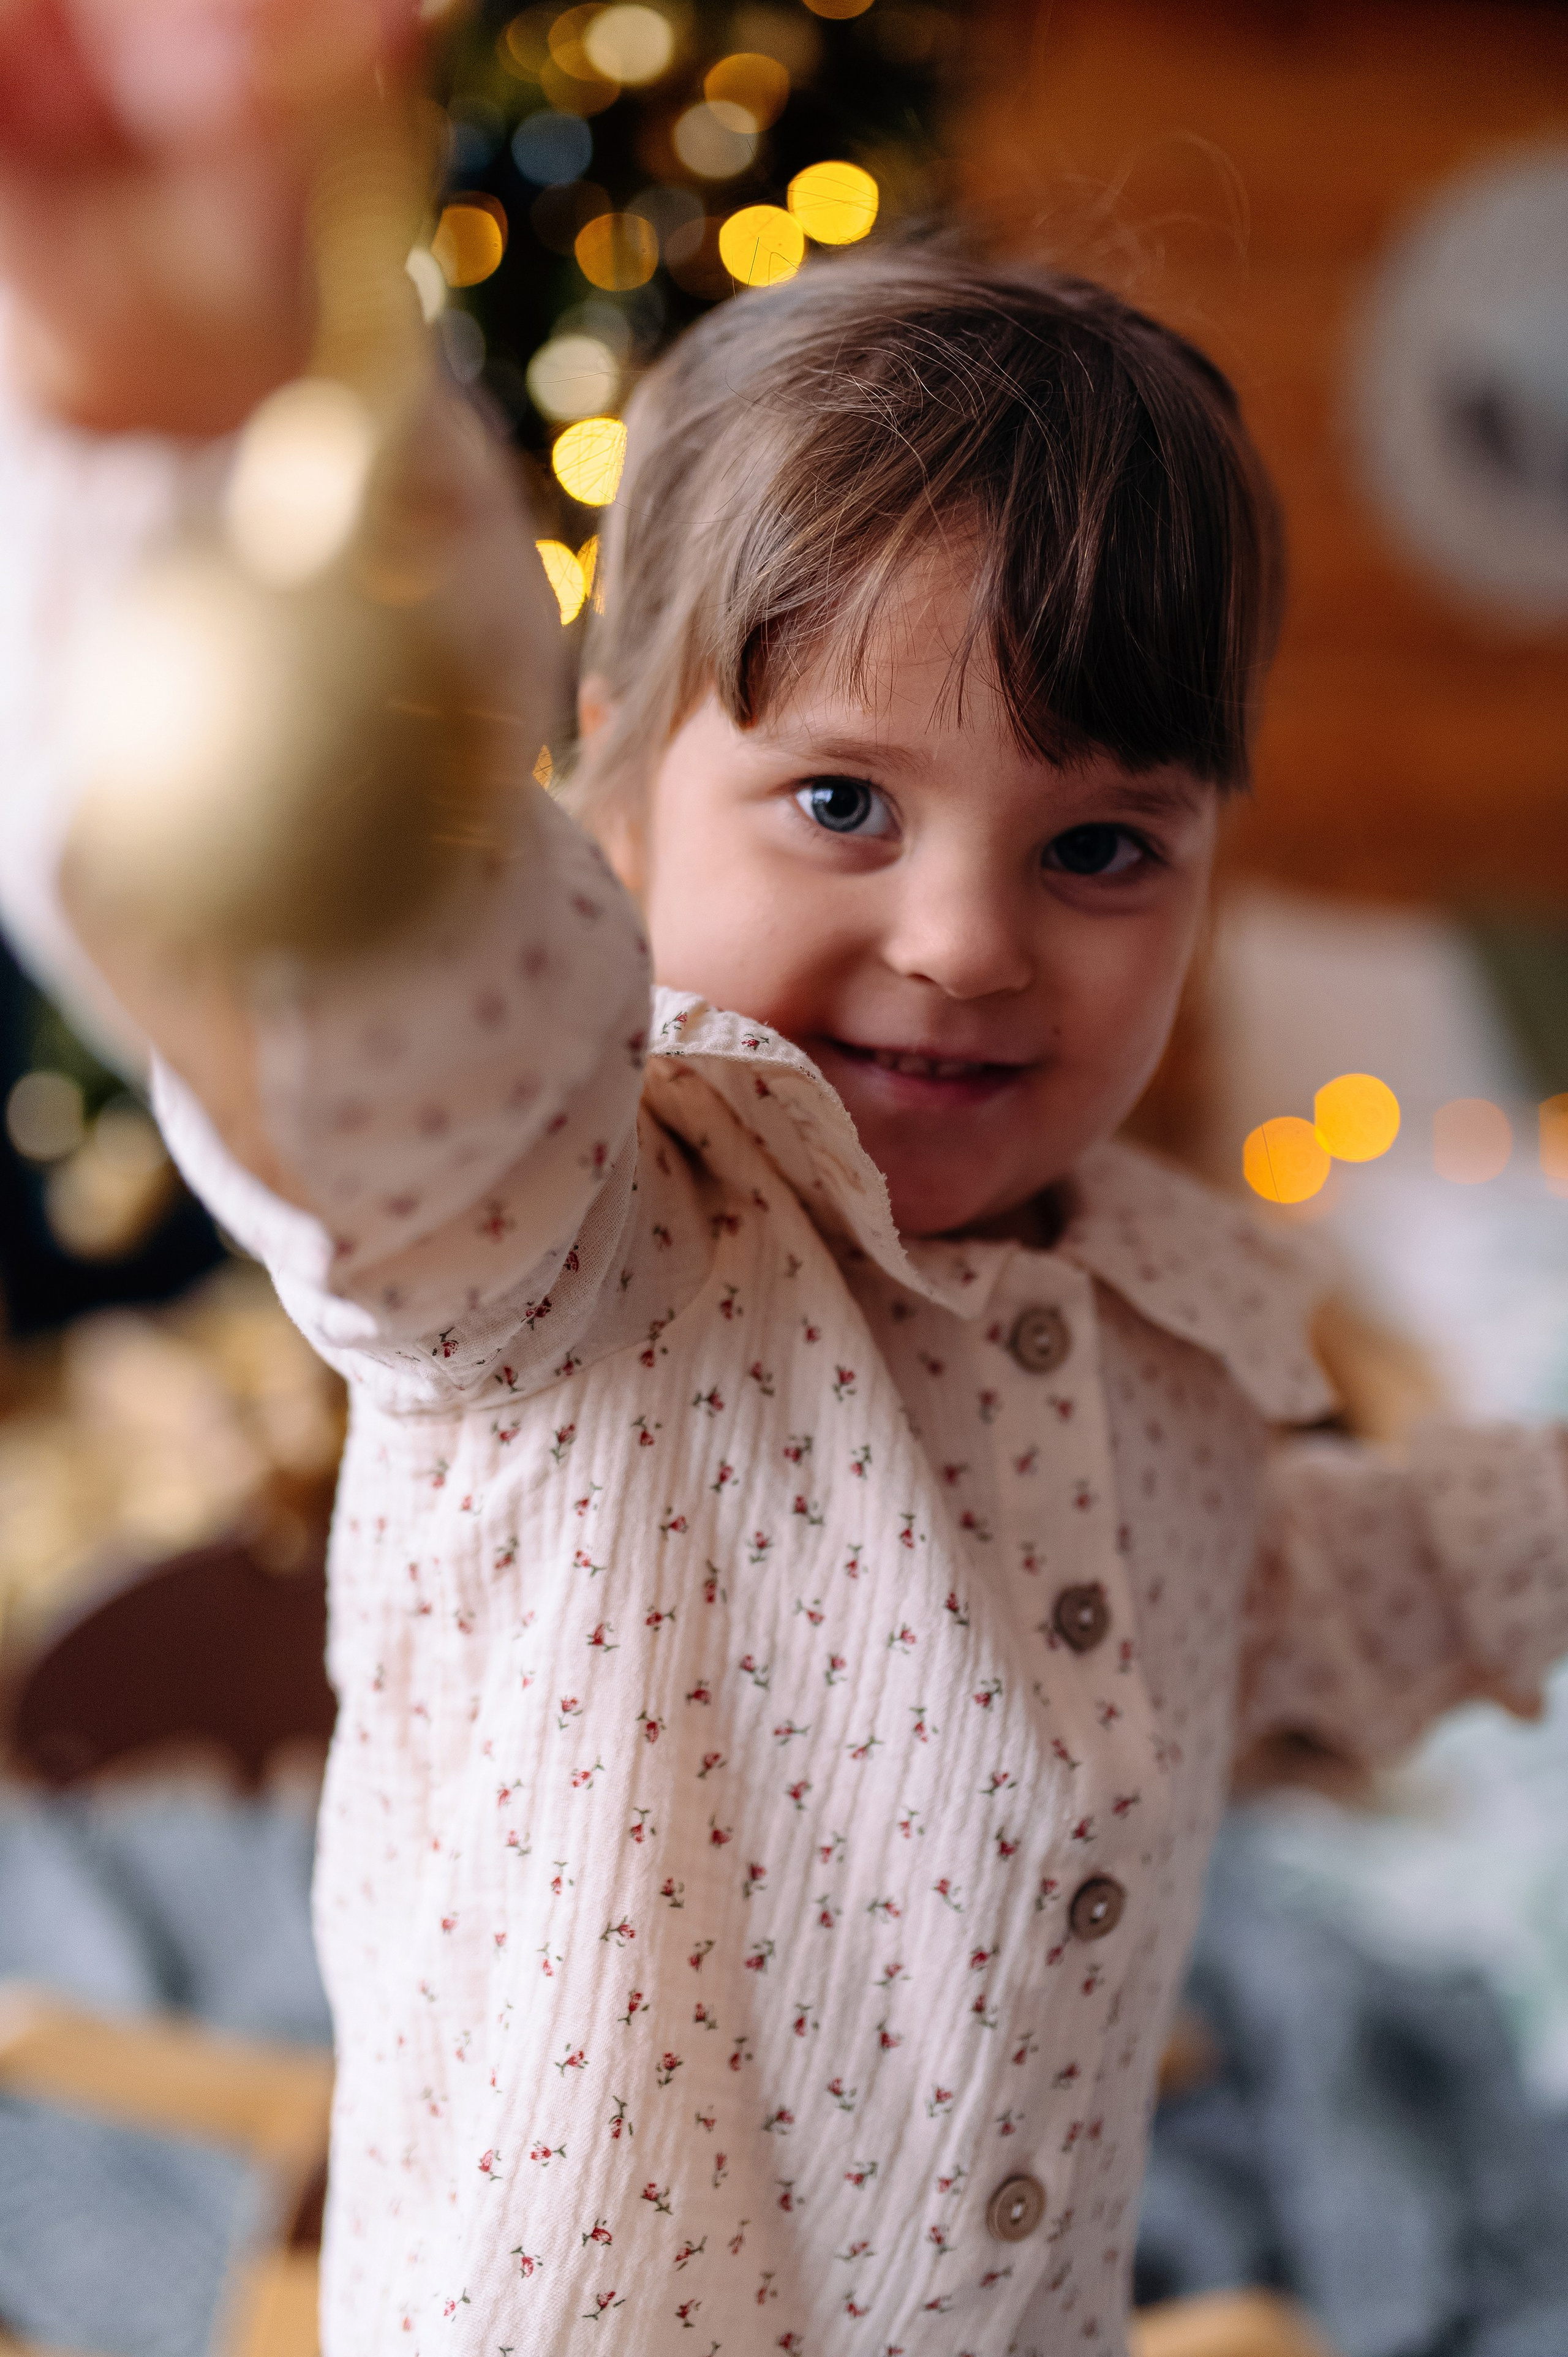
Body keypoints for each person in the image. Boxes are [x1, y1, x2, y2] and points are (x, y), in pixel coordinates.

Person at [1, 6, 1565, 2353]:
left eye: (1104, 844)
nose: (963, 941)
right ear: (614, 796)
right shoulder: (563, 1230)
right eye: (842, 802)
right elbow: (388, 915)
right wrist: (216, 435)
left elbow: (1264, 1585)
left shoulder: (1145, 1320)